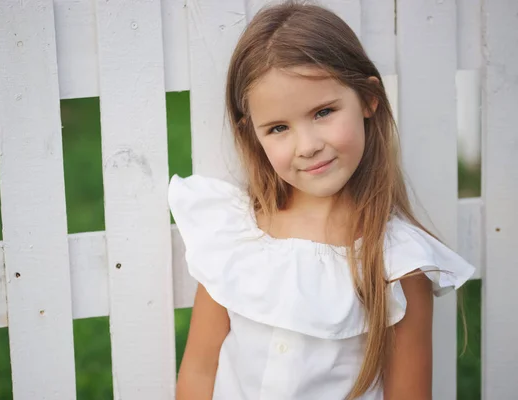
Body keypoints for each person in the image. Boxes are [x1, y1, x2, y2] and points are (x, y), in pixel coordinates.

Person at [168, 2, 475, 399]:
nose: (308, 146)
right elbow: (198, 372)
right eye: (278, 127)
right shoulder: (232, 234)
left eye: (323, 112)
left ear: (368, 99)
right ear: (253, 135)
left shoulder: (397, 264)